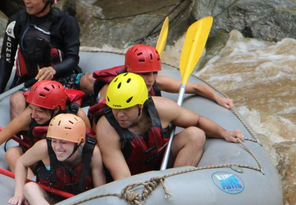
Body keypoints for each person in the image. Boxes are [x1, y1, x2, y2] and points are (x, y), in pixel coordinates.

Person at [95, 73, 244, 180]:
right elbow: (123, 178)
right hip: (132, 174)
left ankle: (177, 183)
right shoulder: (107, 129)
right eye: (115, 108)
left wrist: (225, 133)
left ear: (140, 105)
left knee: (195, 134)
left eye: (126, 109)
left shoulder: (162, 108)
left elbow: (197, 120)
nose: (119, 114)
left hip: (163, 164)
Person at [0, 0, 81, 119]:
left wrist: (53, 70)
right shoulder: (16, 22)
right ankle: (21, 139)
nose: (26, 1)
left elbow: (73, 58)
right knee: (16, 99)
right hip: (29, 83)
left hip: (62, 79)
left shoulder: (67, 22)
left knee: (91, 81)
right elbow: (6, 59)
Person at [0, 80, 90, 183]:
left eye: (39, 111)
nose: (33, 115)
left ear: (57, 109)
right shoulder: (28, 116)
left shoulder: (77, 116)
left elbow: (90, 147)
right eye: (31, 108)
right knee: (12, 153)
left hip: (71, 162)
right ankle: (32, 186)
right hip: (41, 161)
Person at [81, 44, 233, 125]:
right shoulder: (114, 90)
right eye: (145, 74)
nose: (151, 79)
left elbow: (195, 87)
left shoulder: (155, 81)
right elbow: (102, 120)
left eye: (154, 73)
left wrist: (218, 98)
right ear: (130, 72)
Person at [9, 113, 105, 205]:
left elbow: (100, 190)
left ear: (80, 142)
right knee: (29, 188)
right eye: (54, 141)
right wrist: (18, 193)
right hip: (51, 199)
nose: (57, 147)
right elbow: (21, 163)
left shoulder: (92, 153)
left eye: (64, 142)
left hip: (80, 202)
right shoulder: (44, 148)